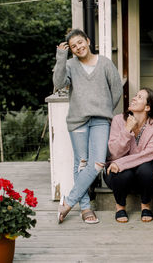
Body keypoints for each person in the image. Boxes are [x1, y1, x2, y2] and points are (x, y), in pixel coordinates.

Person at [54, 29, 122, 224]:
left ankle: (68, 202)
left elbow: (116, 89)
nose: (78, 48)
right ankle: (85, 208)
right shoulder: (69, 65)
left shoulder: (105, 63)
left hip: (100, 120)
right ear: (71, 50)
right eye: (73, 46)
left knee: (98, 162)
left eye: (80, 43)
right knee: (81, 163)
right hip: (78, 120)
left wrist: (105, 108)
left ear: (88, 41)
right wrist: (61, 56)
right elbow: (58, 83)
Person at [104, 88, 153, 223]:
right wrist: (126, 130)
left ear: (148, 107)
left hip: (141, 177)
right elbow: (113, 153)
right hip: (117, 175)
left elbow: (149, 154)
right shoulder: (118, 120)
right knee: (123, 174)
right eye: (135, 95)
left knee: (147, 169)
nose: (134, 98)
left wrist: (120, 163)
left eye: (139, 97)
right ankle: (120, 206)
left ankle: (145, 205)